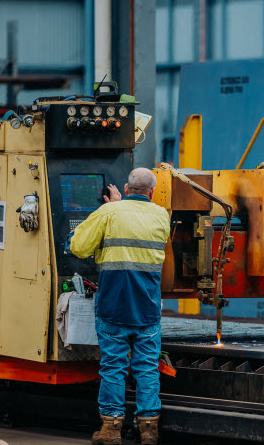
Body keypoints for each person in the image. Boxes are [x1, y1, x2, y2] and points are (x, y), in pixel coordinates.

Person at [68, 168, 170, 445]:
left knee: (113, 366)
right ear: (152, 191)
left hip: (114, 305)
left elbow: (78, 247)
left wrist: (110, 209)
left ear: (126, 188)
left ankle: (111, 430)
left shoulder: (108, 213)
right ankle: (149, 429)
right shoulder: (162, 216)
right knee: (147, 368)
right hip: (147, 307)